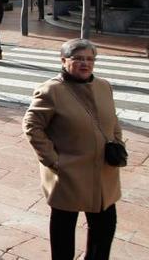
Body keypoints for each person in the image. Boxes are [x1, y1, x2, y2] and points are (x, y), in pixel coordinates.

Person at [23, 39, 124, 260]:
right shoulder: (51, 90)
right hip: (69, 173)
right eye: (77, 58)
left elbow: (113, 120)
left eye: (89, 59)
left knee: (104, 229)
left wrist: (117, 143)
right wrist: (53, 160)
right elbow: (32, 127)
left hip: (104, 173)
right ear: (63, 61)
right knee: (63, 233)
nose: (84, 64)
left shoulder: (104, 86)